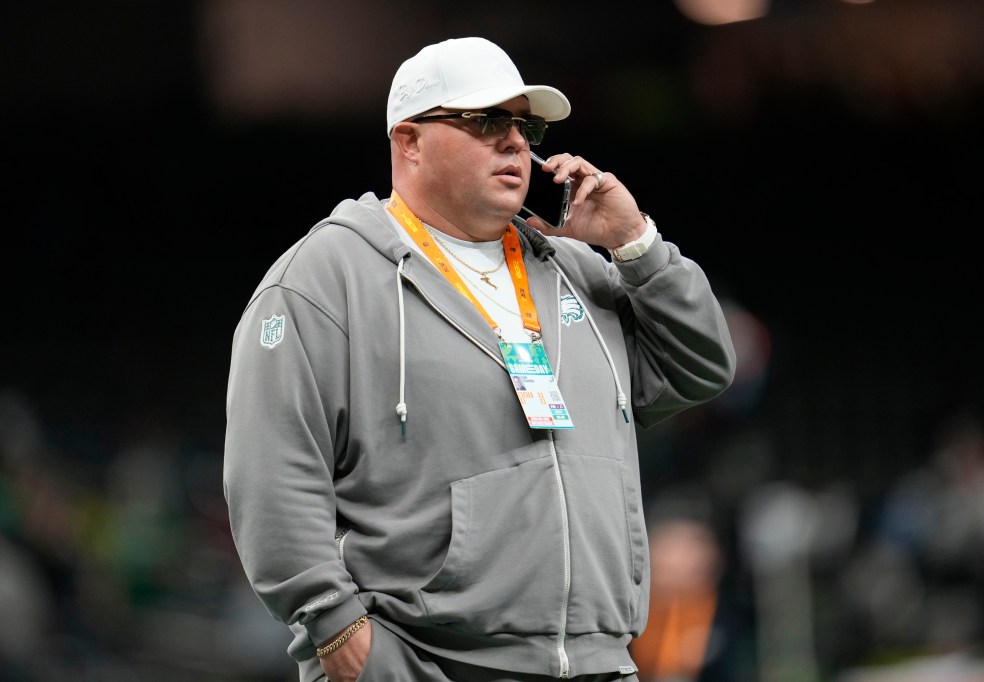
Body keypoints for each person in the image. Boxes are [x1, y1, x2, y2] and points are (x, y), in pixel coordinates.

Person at [223, 36, 736, 682]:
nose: (516, 143)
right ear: (409, 142)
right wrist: (338, 629)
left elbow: (702, 368)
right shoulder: (326, 277)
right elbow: (271, 470)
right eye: (487, 121)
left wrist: (634, 244)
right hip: (428, 662)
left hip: (598, 662)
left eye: (526, 126)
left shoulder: (576, 269)